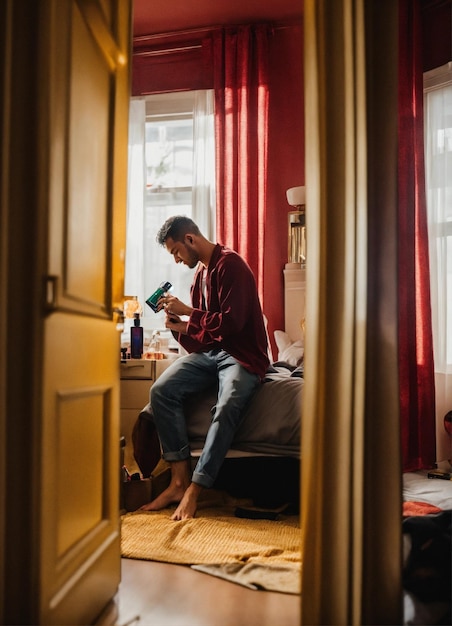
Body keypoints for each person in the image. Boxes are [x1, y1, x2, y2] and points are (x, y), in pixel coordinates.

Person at [140, 215, 269, 520]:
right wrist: (179, 327)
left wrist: (189, 312)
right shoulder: (200, 276)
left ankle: (195, 489)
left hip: (242, 356)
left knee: (225, 407)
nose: (176, 259)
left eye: (176, 252)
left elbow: (232, 325)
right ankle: (178, 480)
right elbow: (204, 339)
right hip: (213, 355)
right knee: (161, 391)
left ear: (190, 240)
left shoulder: (232, 265)